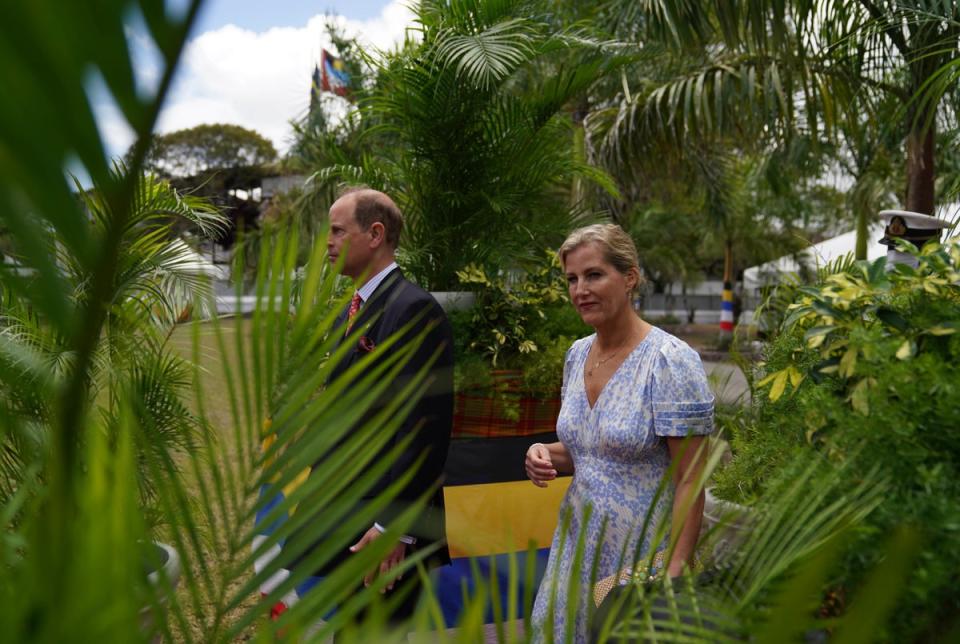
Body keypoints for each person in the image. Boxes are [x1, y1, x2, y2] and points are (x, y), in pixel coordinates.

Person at [525, 224, 714, 642]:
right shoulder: (577, 355)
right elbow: (590, 449)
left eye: (594, 275)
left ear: (629, 277)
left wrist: (675, 572)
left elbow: (691, 477)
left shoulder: (669, 360)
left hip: (641, 556)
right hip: (574, 550)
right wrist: (543, 452)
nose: (580, 290)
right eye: (572, 279)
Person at [310, 187, 454, 624]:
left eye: (337, 231)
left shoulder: (413, 310)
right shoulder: (348, 312)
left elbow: (423, 428)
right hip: (347, 514)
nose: (328, 243)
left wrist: (396, 526)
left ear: (375, 234)